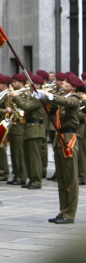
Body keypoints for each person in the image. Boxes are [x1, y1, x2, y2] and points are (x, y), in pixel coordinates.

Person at [34, 74, 83, 224]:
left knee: (70, 179)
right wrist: (40, 97)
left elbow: (64, 101)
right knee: (61, 179)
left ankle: (70, 213)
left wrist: (48, 95)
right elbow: (53, 105)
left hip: (68, 139)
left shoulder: (74, 98)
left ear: (74, 87)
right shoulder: (62, 96)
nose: (64, 83)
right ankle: (63, 211)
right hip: (59, 138)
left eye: (68, 82)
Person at [10, 75, 45, 189]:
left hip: (35, 129)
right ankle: (31, 179)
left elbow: (25, 106)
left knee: (34, 158)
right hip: (29, 128)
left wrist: (16, 96)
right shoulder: (32, 96)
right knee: (28, 157)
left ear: (38, 85)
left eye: (32, 83)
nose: (29, 85)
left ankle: (36, 181)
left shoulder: (38, 97)